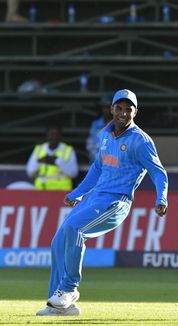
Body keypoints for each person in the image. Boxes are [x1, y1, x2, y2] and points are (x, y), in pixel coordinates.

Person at [36, 89, 168, 316]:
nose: (124, 114)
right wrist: (78, 193)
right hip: (95, 197)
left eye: (129, 109)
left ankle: (69, 289)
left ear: (136, 112)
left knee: (74, 229)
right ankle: (59, 305)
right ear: (111, 109)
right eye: (120, 108)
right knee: (59, 239)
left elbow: (158, 172)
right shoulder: (104, 133)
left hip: (117, 202)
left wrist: (161, 197)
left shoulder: (141, 141)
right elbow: (98, 167)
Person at [26, 125, 78, 190]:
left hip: (61, 190)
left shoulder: (68, 150)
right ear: (47, 135)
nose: (53, 137)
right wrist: (40, 161)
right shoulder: (39, 149)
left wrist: (56, 162)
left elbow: (73, 173)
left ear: (60, 136)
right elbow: (30, 172)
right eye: (51, 134)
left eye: (56, 134)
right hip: (41, 190)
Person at [86, 96, 113, 163]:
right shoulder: (95, 125)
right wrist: (101, 160)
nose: (106, 110)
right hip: (97, 163)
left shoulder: (119, 124)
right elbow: (90, 145)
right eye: (104, 107)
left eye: (108, 107)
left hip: (115, 164)